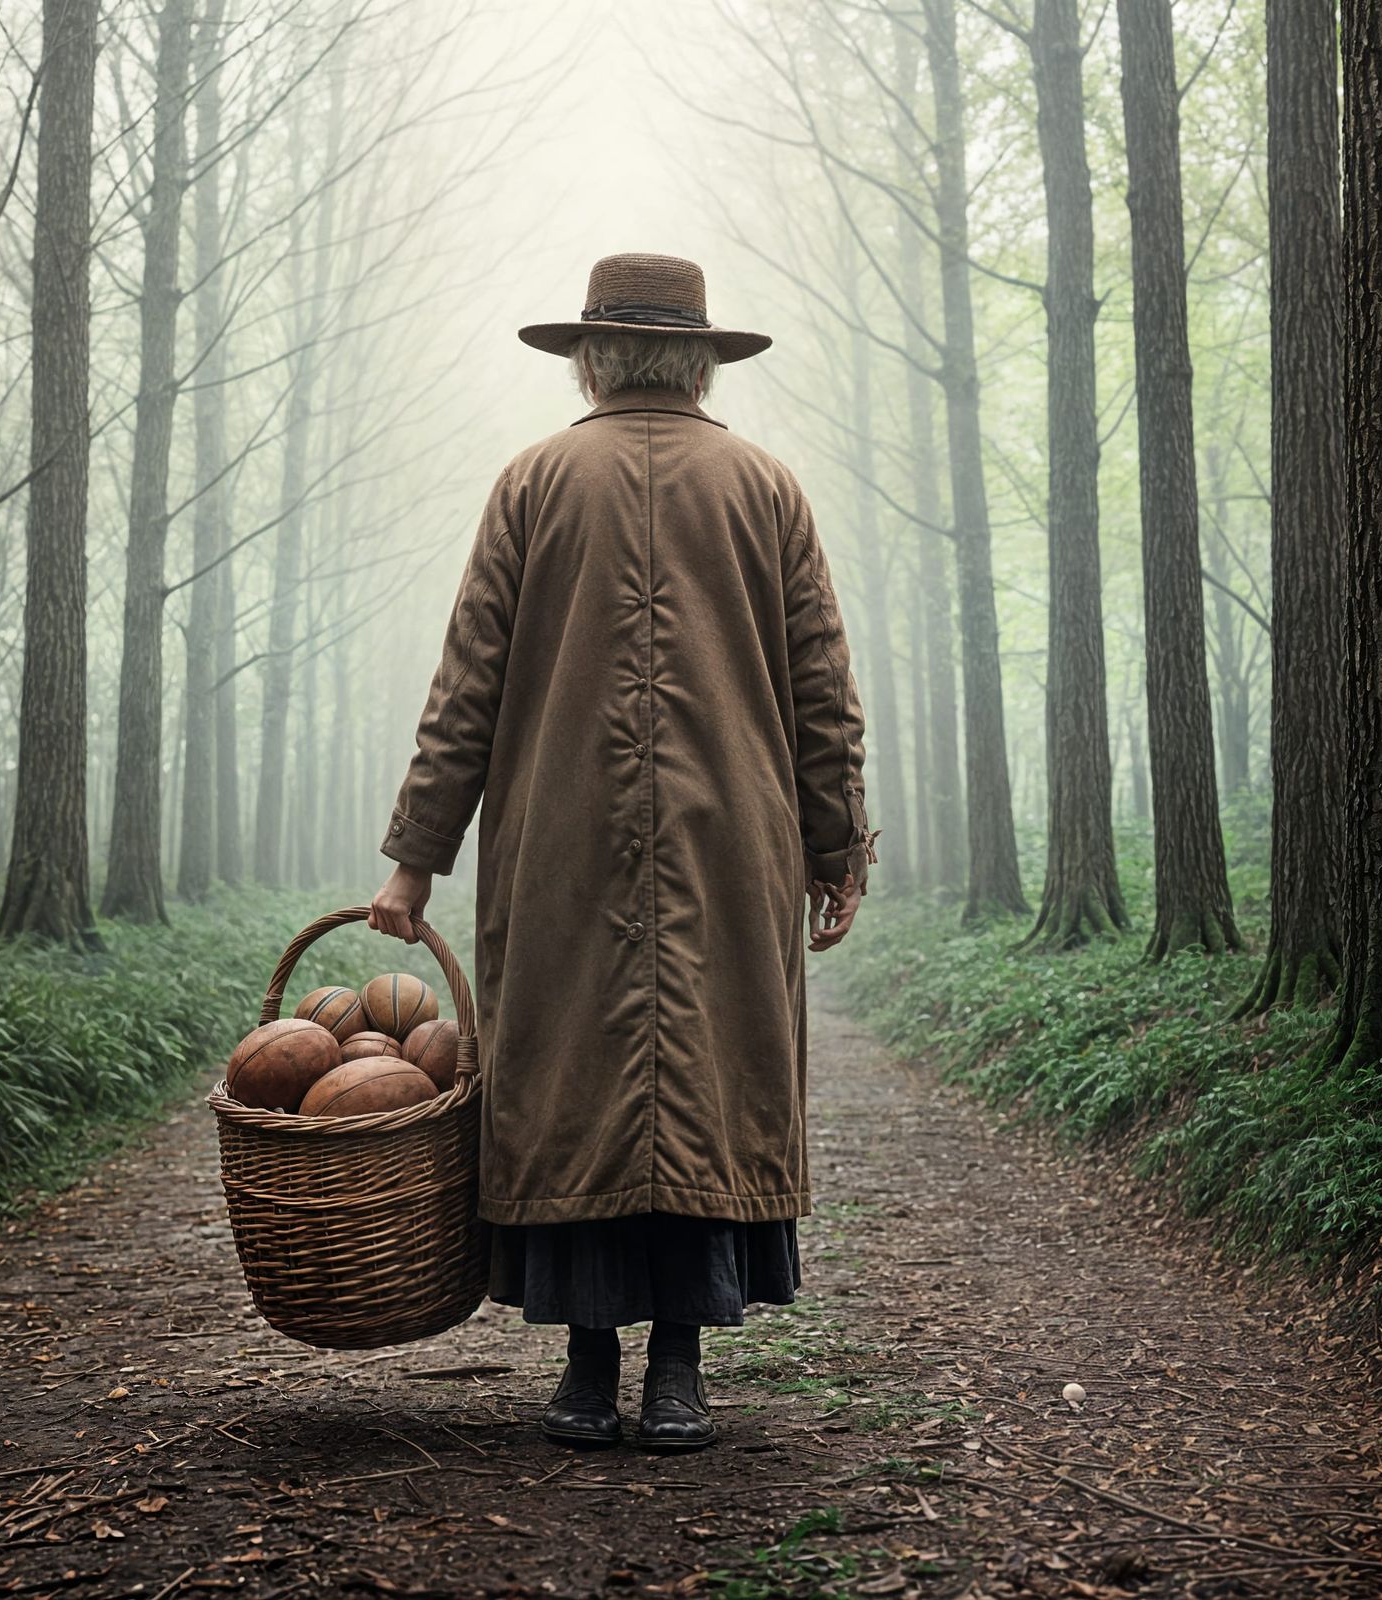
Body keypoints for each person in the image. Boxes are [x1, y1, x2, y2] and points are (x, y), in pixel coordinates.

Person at [369, 252, 876, 1453]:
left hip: (558, 843)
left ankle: (587, 1371)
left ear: (592, 358)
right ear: (698, 363)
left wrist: (415, 859)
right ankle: (677, 1375)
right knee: (704, 1082)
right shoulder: (767, 485)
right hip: (731, 844)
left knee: (571, 1084)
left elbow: (465, 688)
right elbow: (821, 685)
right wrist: (835, 840)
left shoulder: (532, 480)